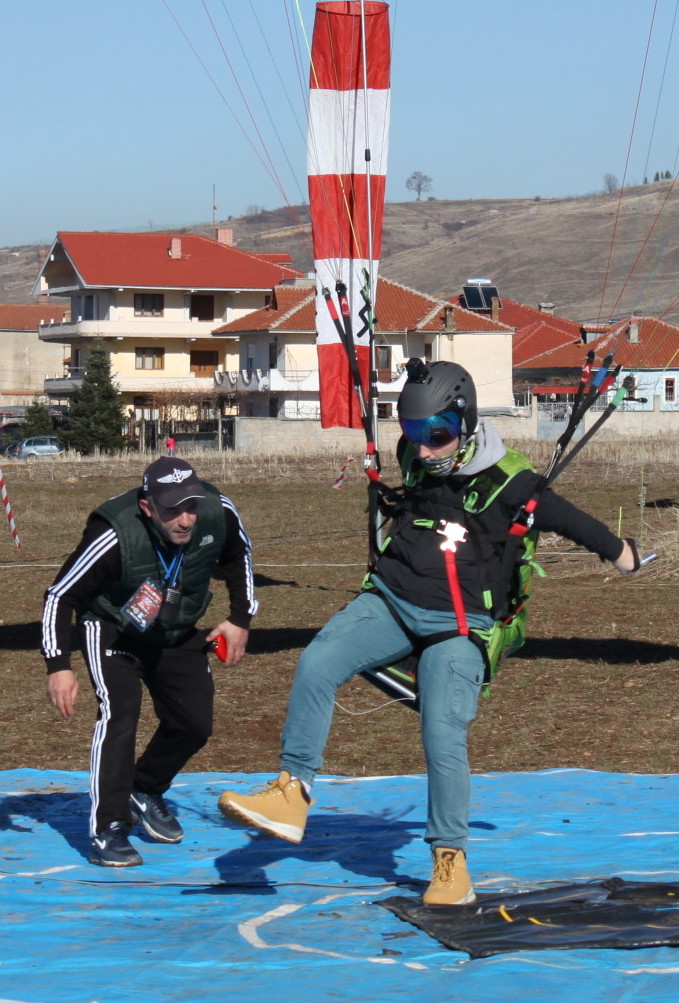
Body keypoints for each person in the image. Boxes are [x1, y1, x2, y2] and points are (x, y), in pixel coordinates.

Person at [218, 360, 639, 905]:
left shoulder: (515, 485)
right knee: (317, 662)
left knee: (442, 733)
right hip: (392, 601)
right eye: (412, 431)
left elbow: (578, 524)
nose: (422, 447)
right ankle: (291, 793)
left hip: (459, 628)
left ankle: (449, 861)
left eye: (436, 434)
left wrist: (623, 554)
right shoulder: (414, 460)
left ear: (466, 423)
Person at [43, 457, 258, 867]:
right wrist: (58, 665)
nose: (185, 519)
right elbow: (59, 595)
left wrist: (240, 618)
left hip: (174, 628)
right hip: (113, 628)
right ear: (147, 507)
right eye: (173, 510)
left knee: (194, 723)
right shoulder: (114, 534)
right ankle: (109, 828)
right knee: (119, 716)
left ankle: (144, 787)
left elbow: (239, 557)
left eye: (191, 506)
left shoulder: (218, 512)